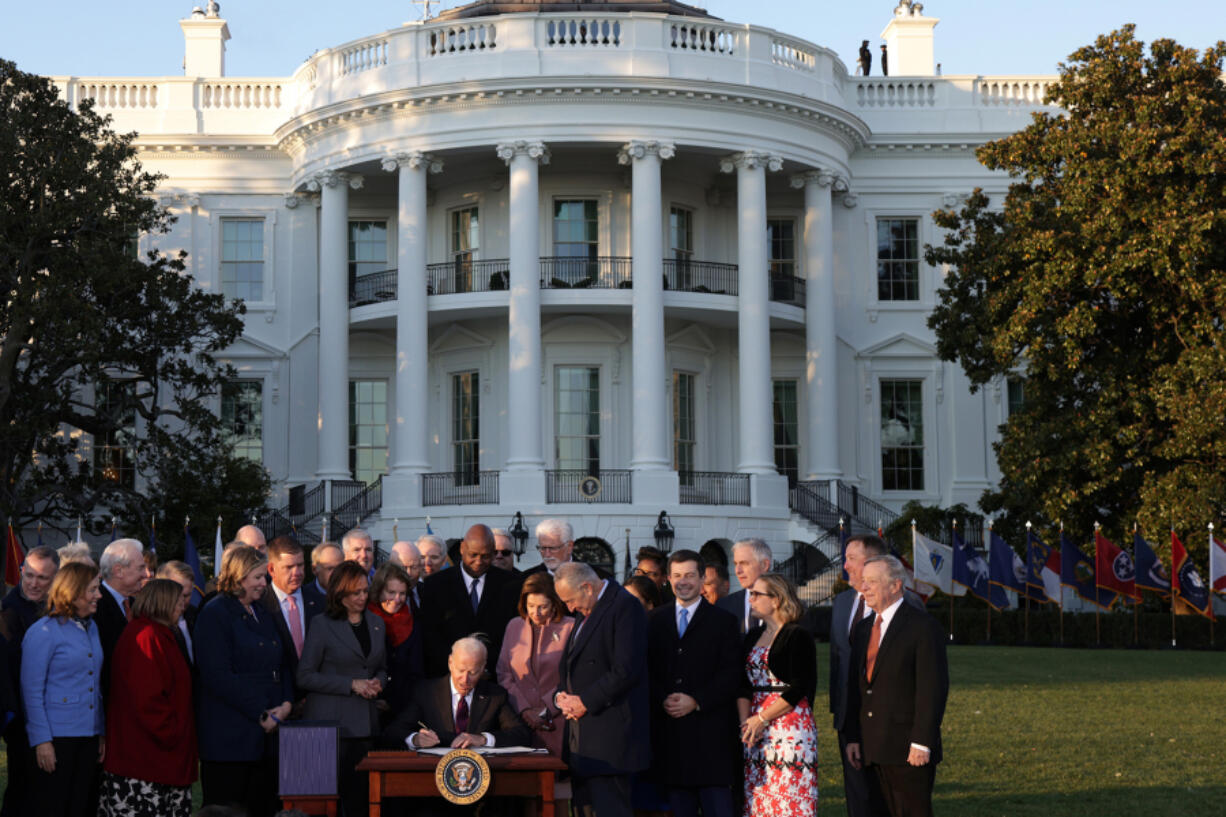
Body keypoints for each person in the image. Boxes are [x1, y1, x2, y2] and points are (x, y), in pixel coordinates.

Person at [844, 556, 948, 817]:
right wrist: (853, 736)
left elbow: (931, 689)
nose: (864, 588)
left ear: (895, 585)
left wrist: (922, 742)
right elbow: (857, 687)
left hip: (907, 749)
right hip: (869, 747)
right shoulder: (864, 628)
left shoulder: (923, 627)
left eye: (872, 582)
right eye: (863, 582)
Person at [195, 545, 293, 817]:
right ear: (239, 577)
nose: (265, 583)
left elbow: (282, 660)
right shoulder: (215, 613)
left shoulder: (262, 611)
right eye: (258, 577)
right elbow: (217, 675)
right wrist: (261, 711)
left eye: (264, 577)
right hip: (230, 740)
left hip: (266, 739)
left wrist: (286, 703)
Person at [831, 534, 922, 817]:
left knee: (893, 800)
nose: (845, 566)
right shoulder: (843, 602)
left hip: (892, 724)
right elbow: (839, 659)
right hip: (850, 716)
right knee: (858, 796)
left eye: (852, 559)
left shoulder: (909, 605)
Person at [647, 550, 741, 817]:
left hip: (711, 739)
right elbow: (645, 669)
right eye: (677, 575)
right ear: (667, 579)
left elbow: (731, 674)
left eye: (690, 575)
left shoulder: (724, 622)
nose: (683, 581)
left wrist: (697, 700)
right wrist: (661, 697)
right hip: (671, 741)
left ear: (702, 580)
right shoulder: (654, 621)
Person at [554, 562, 649, 817]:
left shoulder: (625, 606)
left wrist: (585, 701)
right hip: (581, 738)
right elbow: (574, 665)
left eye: (570, 600)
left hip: (609, 739)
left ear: (586, 587)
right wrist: (562, 695)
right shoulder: (586, 610)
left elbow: (626, 669)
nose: (569, 608)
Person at [298, 560, 388, 817]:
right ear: (340, 593)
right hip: (330, 728)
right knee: (327, 804)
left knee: (361, 801)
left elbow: (381, 666)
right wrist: (351, 685)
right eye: (355, 593)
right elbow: (304, 676)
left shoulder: (376, 623)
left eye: (365, 590)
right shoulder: (321, 625)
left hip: (366, 725)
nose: (362, 597)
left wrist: (377, 682)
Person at [100, 579, 197, 817]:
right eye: (178, 601)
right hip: (147, 760)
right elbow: (147, 699)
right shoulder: (146, 636)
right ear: (163, 603)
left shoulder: (160, 633)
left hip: (160, 757)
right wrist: (172, 732)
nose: (183, 606)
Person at [20, 561, 105, 817]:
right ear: (74, 591)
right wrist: (42, 740)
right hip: (57, 738)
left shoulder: (92, 628)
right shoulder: (43, 631)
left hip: (88, 735)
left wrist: (100, 730)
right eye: (92, 590)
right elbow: (31, 691)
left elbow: (95, 683)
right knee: (55, 806)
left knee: (81, 805)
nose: (98, 596)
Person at [737, 572, 818, 817]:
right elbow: (742, 684)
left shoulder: (797, 635)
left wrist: (762, 719)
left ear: (776, 600)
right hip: (753, 727)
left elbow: (799, 686)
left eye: (756, 594)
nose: (750, 599)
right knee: (758, 797)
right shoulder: (751, 636)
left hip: (789, 726)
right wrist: (747, 723)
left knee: (788, 796)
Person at [384, 636, 529, 750]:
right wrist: (415, 739)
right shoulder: (426, 692)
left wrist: (483, 739)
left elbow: (521, 734)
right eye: (460, 670)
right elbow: (393, 731)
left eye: (473, 672)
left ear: (483, 668)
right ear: (450, 663)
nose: (465, 679)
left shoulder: (495, 695)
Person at [1, 545, 58, 817]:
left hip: (53, 719)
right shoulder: (8, 613)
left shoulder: (56, 608)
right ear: (21, 571)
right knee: (22, 793)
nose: (34, 583)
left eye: (42, 578)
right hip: (23, 722)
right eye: (29, 575)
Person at [418, 524, 517, 677]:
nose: (479, 561)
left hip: (494, 677)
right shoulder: (435, 585)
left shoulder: (510, 585)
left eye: (485, 556)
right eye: (473, 555)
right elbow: (431, 637)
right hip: (449, 677)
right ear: (462, 548)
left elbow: (512, 636)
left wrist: (485, 668)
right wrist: (460, 670)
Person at [495, 572, 574, 757]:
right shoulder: (514, 626)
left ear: (555, 604)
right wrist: (525, 710)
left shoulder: (570, 627)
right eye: (530, 606)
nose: (535, 613)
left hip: (559, 721)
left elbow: (573, 675)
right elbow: (504, 673)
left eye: (542, 607)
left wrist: (547, 709)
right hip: (520, 721)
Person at [263, 536, 322, 686]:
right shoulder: (259, 606)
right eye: (289, 567)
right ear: (271, 569)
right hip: (279, 698)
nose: (297, 572)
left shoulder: (321, 603)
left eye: (300, 565)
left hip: (316, 695)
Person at [367, 562, 422, 714]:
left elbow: (416, 672)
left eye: (402, 593)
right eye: (391, 592)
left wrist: (394, 702)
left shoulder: (413, 624)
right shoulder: (364, 621)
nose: (397, 599)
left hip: (401, 708)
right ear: (378, 591)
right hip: (368, 706)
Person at [96, 538, 146, 701]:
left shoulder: (137, 605)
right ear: (119, 571)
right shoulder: (95, 607)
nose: (147, 574)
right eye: (141, 568)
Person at [718, 538, 772, 634]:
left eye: (744, 563)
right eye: (735, 564)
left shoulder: (786, 605)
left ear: (764, 565)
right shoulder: (723, 606)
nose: (738, 571)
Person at [156, 560, 200, 666]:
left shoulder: (196, 615)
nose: (182, 601)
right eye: (177, 594)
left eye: (186, 595)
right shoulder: (153, 622)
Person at [388, 540, 424, 613]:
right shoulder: (384, 598)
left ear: (420, 567)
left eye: (414, 567)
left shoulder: (428, 592)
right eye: (403, 568)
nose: (408, 573)